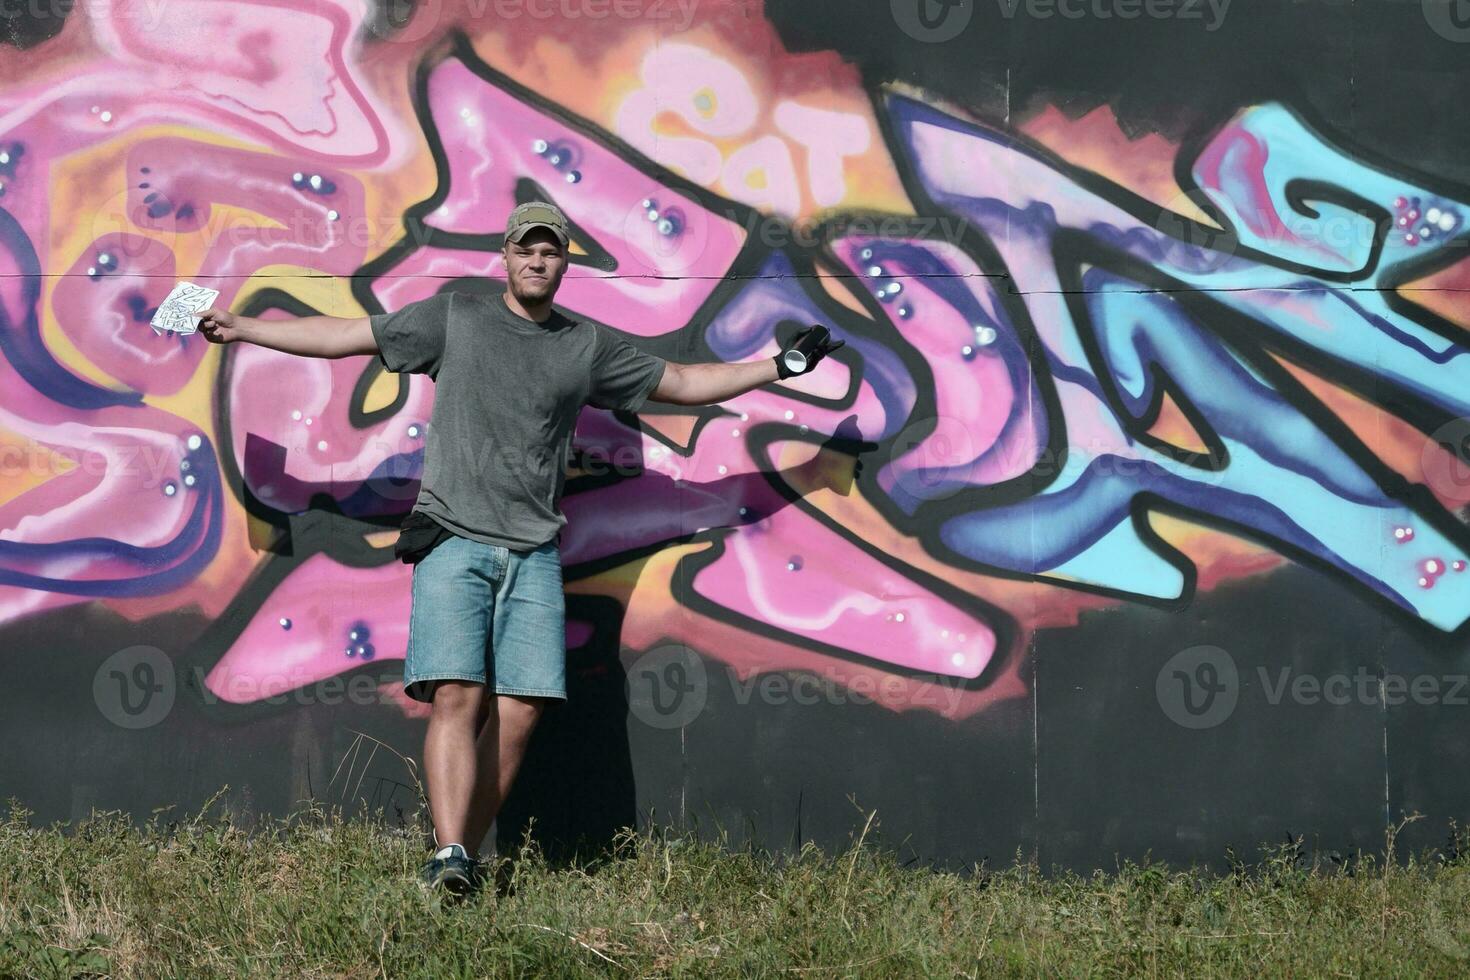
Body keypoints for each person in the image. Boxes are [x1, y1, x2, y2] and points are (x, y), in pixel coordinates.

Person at [196, 201, 844, 898]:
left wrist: (781, 364)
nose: (538, 260)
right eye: (526, 249)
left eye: (551, 251)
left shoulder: (584, 345)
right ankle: (449, 852)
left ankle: (458, 861)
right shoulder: (456, 318)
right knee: (457, 696)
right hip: (453, 540)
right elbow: (347, 336)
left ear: (565, 262)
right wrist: (242, 328)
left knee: (524, 710)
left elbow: (682, 385)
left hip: (533, 552)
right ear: (505, 256)